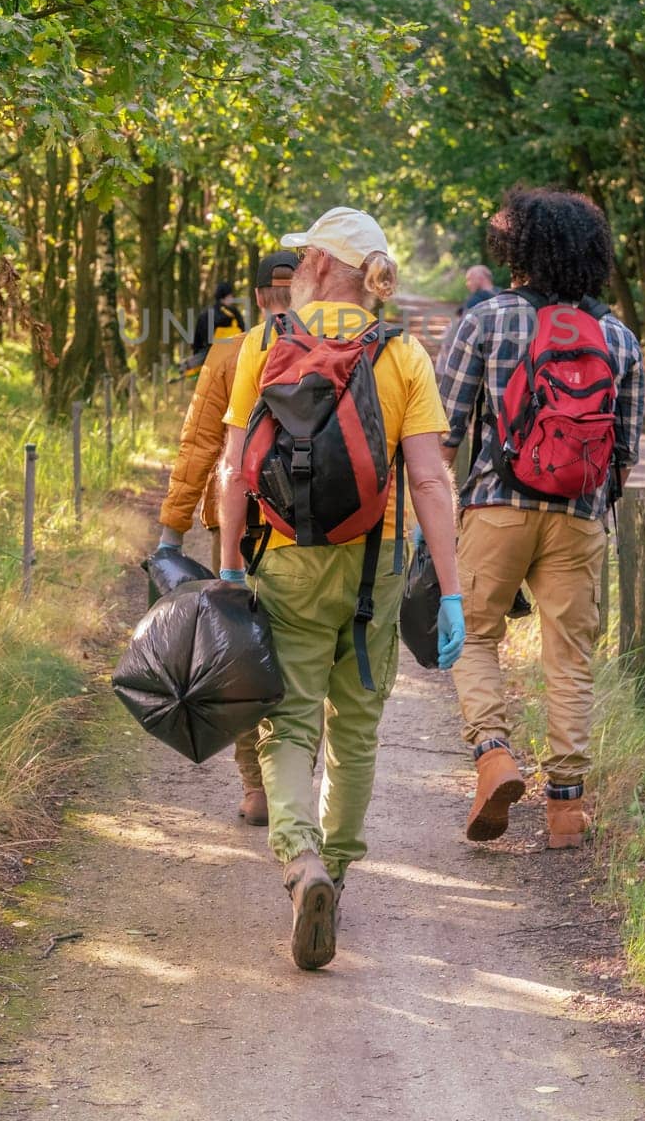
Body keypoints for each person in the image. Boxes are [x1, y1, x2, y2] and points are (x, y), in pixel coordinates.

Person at [218, 206, 465, 972]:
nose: (294, 272)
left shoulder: (264, 342)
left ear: (323, 265)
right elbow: (428, 477)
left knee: (288, 721)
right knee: (354, 731)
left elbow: (233, 468)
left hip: (283, 558)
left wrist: (229, 564)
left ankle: (300, 866)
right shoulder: (400, 353)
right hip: (374, 566)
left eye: (303, 260)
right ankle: (340, 874)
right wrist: (451, 592)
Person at [438, 187, 644, 849]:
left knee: (472, 634)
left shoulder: (484, 320)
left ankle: (493, 754)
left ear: (514, 249)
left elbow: (442, 433)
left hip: (496, 505)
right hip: (580, 516)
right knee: (569, 658)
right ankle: (564, 809)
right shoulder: (616, 336)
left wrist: (431, 524)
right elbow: (625, 453)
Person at [158, 250, 298, 824]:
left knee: (243, 655)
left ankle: (256, 785)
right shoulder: (340, 351)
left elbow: (197, 448)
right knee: (302, 660)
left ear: (258, 296)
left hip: (237, 529)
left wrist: (171, 533)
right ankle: (294, 780)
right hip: (306, 531)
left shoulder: (228, 353)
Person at [188, 280, 246, 370]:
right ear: (228, 296)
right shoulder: (234, 314)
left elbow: (197, 343)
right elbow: (244, 334)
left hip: (209, 360)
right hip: (234, 360)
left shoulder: (205, 314)